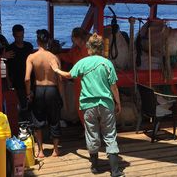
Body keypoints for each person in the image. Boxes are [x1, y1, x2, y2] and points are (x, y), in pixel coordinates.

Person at [51, 33, 124, 177]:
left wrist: (56, 69)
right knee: (110, 135)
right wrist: (118, 103)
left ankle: (95, 167)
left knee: (92, 134)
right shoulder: (106, 63)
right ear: (102, 48)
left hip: (88, 105)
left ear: (89, 47)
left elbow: (68, 75)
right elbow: (114, 87)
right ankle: (115, 171)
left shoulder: (83, 62)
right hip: (106, 104)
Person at [25, 29, 63, 158]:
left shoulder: (31, 57)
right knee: (54, 119)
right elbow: (60, 80)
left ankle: (40, 151)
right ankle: (56, 150)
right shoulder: (54, 57)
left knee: (38, 121)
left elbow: (27, 78)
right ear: (48, 42)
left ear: (37, 41)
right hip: (52, 90)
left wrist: (28, 93)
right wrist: (61, 96)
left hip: (39, 90)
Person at [57, 27, 90, 125]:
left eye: (73, 37)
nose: (72, 39)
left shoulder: (88, 50)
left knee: (88, 108)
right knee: (80, 107)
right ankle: (86, 130)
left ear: (78, 38)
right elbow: (69, 58)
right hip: (78, 84)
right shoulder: (75, 50)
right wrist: (58, 55)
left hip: (87, 83)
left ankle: (89, 131)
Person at [6, 24, 34, 121]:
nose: (20, 38)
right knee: (22, 104)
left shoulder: (29, 46)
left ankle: (31, 121)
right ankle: (24, 122)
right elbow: (6, 66)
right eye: (17, 36)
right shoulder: (10, 49)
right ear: (13, 35)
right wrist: (8, 81)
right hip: (17, 81)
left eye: (21, 36)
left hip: (30, 79)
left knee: (32, 102)